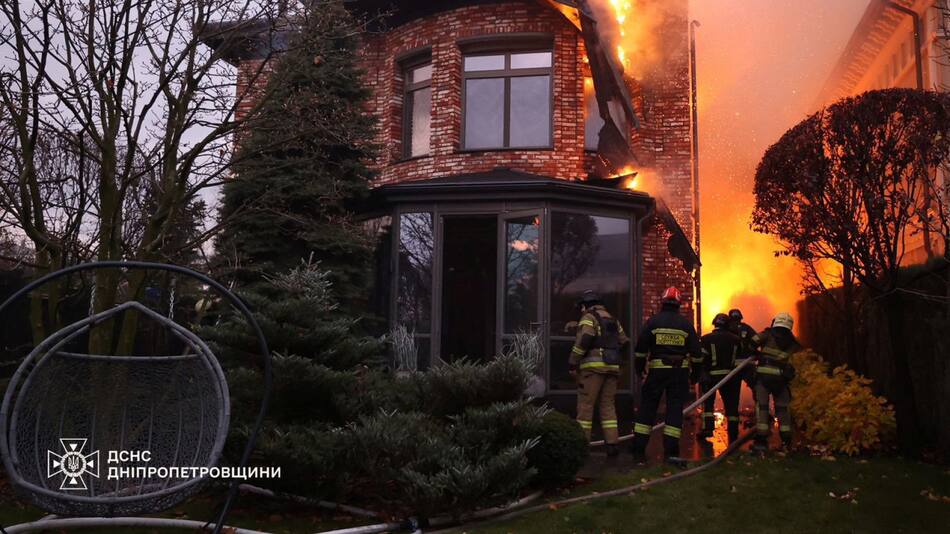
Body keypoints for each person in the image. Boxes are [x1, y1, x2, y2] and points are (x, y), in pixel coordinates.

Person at [630, 287, 701, 467]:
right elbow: (697, 354)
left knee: (648, 407)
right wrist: (695, 375)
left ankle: (639, 447)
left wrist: (639, 370)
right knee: (675, 410)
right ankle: (671, 449)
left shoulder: (653, 322)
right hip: (679, 374)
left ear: (663, 302)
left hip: (656, 373)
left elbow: (640, 351)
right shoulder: (686, 325)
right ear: (678, 304)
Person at [569, 290, 629, 457]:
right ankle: (612, 444)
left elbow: (585, 338)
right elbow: (624, 342)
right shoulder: (613, 319)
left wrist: (573, 361)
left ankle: (581, 446)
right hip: (612, 368)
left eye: (582, 307)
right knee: (608, 406)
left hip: (592, 370)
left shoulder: (589, 317)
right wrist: (619, 361)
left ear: (585, 305)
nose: (581, 310)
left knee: (586, 406)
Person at [750, 311, 802, 453]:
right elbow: (796, 360)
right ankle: (786, 441)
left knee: (763, 408)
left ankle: (761, 441)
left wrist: (756, 353)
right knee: (783, 409)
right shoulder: (793, 342)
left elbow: (753, 340)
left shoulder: (768, 334)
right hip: (781, 381)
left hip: (763, 379)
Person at [696, 313, 743, 443]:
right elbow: (740, 359)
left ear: (715, 324)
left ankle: (707, 430)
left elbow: (701, 359)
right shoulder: (736, 339)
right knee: (732, 407)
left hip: (711, 378)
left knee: (708, 405)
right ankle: (733, 433)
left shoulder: (706, 339)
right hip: (730, 378)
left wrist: (701, 374)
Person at [728, 308, 758, 392]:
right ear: (740, 317)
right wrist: (752, 350)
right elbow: (757, 339)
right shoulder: (746, 327)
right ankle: (759, 404)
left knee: (733, 392)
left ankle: (732, 405)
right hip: (748, 363)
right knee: (756, 387)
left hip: (732, 366)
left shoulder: (726, 329)